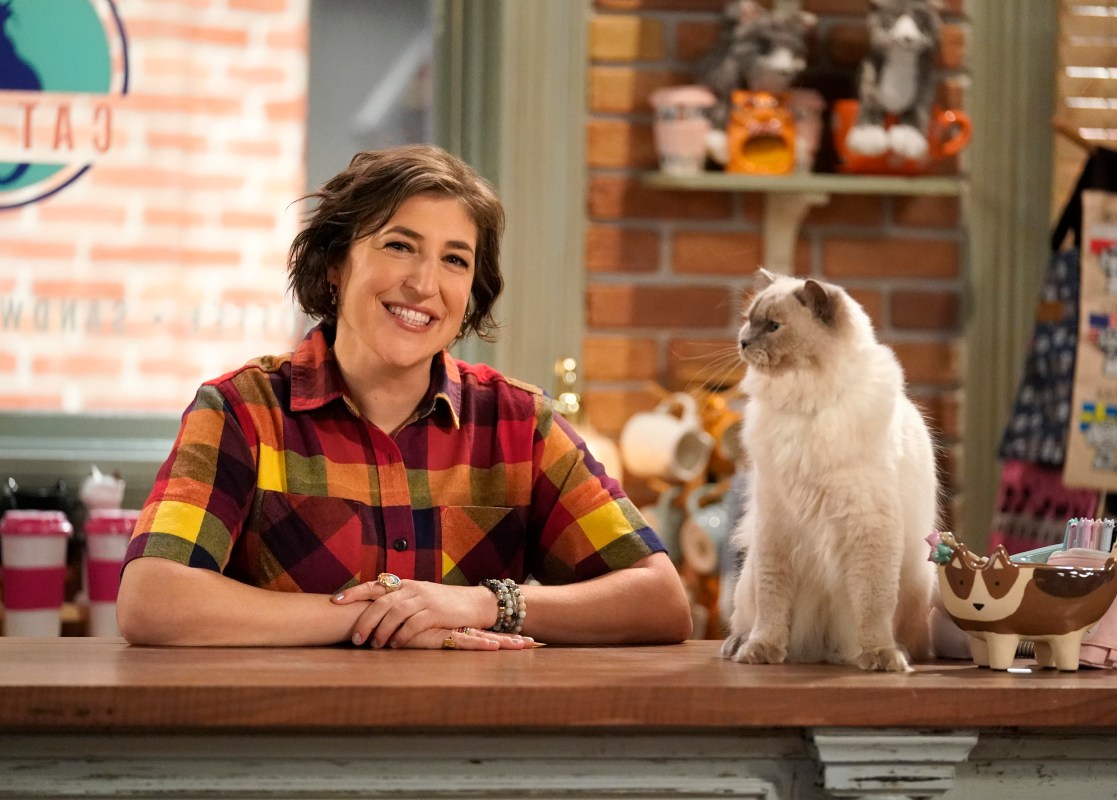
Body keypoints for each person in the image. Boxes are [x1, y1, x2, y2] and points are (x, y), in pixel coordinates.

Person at [117, 145, 692, 650]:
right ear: (336, 264)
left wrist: (482, 606)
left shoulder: (521, 424)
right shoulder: (242, 411)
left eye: (454, 260)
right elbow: (153, 598)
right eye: (399, 246)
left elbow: (660, 601)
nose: (424, 283)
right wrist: (382, 614)